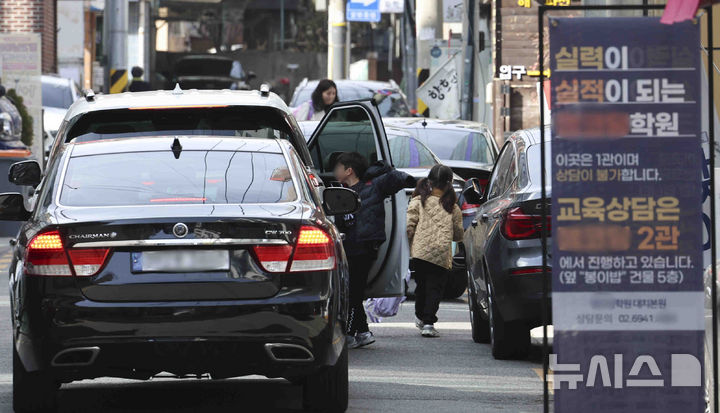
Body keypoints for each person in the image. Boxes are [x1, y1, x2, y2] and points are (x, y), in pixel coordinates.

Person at [333, 152, 415, 348]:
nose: (335, 171)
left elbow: (401, 179)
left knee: (353, 293)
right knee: (353, 291)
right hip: (348, 248)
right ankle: (363, 332)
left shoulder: (372, 187)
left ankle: (351, 333)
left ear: (349, 170)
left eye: (339, 167)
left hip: (364, 249)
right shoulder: (340, 192)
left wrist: (382, 169)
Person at [406, 165, 463, 338]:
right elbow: (458, 234)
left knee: (421, 286)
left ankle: (421, 317)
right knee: (435, 289)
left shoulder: (418, 201)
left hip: (420, 253)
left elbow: (409, 226)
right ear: (449, 184)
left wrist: (411, 244)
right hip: (441, 253)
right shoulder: (452, 207)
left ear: (429, 182)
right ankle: (429, 323)